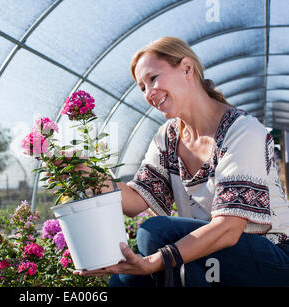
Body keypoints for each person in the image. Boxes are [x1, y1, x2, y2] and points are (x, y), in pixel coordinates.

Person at [74, 36, 289, 287]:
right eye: (142, 87)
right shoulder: (168, 137)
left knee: (155, 233)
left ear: (187, 68)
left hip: (273, 259)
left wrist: (153, 262)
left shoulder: (243, 131)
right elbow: (134, 200)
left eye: (153, 78)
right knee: (124, 281)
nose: (148, 93)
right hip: (209, 255)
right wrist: (84, 172)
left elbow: (228, 229)